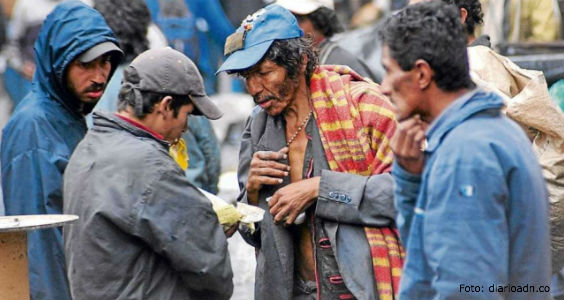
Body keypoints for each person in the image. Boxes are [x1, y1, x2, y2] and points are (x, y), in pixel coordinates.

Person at [218, 4, 402, 300]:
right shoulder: (259, 125)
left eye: (264, 73)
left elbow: (408, 193)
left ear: (300, 62)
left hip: (358, 289)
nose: (254, 88)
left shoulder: (364, 107)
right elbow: (251, 233)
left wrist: (321, 189)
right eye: (247, 77)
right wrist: (251, 193)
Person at [380, 2, 551, 299]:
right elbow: (429, 257)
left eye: (388, 72)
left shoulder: (465, 154)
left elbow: (467, 289)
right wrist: (410, 181)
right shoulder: (490, 129)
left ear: (421, 74)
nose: (382, 87)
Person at [63, 47, 233, 300]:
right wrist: (211, 225)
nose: (186, 128)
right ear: (165, 106)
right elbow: (211, 270)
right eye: (187, 115)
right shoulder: (152, 169)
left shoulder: (87, 148)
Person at [0, 1, 122, 299]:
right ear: (58, 62)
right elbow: (39, 251)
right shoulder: (35, 129)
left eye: (105, 62)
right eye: (85, 65)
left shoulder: (67, 113)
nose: (99, 76)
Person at [276, 0, 378, 82]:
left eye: (298, 20)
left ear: (319, 21)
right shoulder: (301, 62)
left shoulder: (340, 60)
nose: (291, 28)